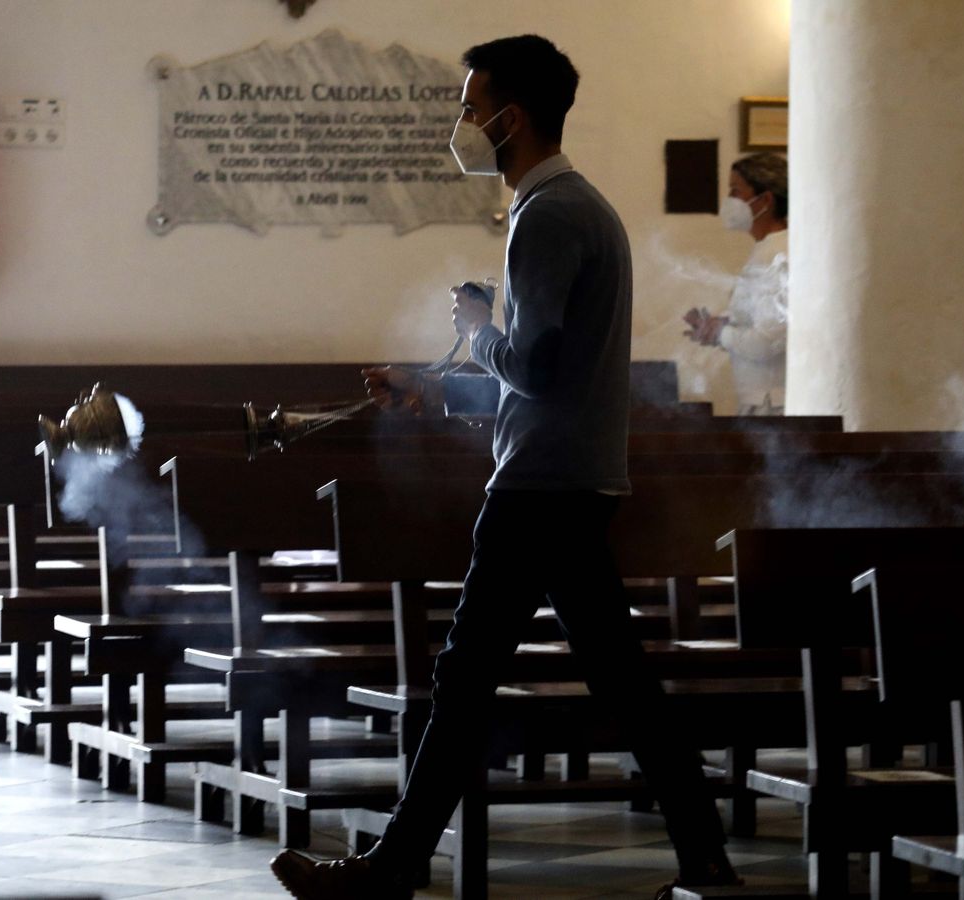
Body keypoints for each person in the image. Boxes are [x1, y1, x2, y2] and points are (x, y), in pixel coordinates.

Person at [269, 34, 740, 900]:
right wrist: (437, 391)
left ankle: (393, 869)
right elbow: (551, 383)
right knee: (616, 684)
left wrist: (478, 323)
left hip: (539, 491)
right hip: (568, 478)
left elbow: (535, 366)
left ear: (509, 118)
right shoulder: (576, 207)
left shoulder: (548, 214)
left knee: (467, 676)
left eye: (469, 106)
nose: (461, 122)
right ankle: (705, 857)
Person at [684, 153, 789, 415]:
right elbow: (757, 322)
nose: (729, 201)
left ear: (765, 200)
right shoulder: (767, 250)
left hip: (772, 404)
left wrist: (720, 334)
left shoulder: (778, 255)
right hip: (761, 400)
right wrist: (720, 325)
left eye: (735, 191)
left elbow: (767, 342)